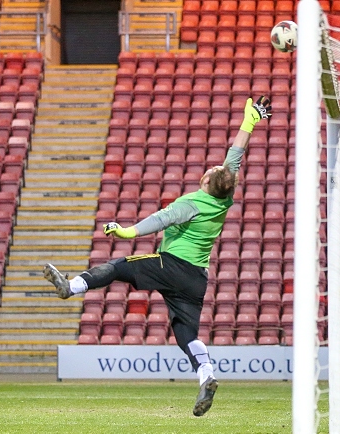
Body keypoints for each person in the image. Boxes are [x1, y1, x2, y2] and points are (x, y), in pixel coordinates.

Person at [43, 96, 272, 417]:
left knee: (120, 265)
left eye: (211, 169)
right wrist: (249, 123)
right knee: (185, 333)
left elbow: (160, 220)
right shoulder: (224, 196)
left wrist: (127, 232)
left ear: (206, 181)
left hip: (173, 265)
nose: (213, 167)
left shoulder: (192, 203)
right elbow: (235, 157)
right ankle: (206, 375)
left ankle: (73, 287)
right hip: (196, 279)